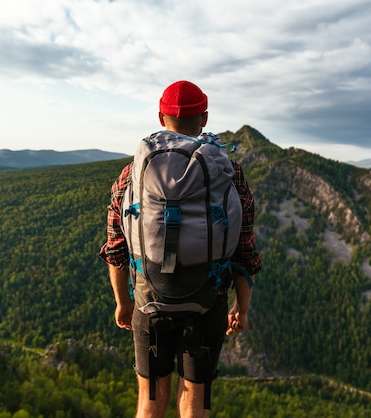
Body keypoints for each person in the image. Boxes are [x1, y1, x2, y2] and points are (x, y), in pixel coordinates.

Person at [99, 80, 262, 418]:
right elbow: (245, 250)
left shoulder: (132, 174)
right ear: (204, 118)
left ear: (162, 118)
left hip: (149, 300)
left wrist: (123, 302)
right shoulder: (229, 173)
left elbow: (117, 247)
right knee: (195, 400)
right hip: (207, 301)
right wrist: (241, 308)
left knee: (150, 401)